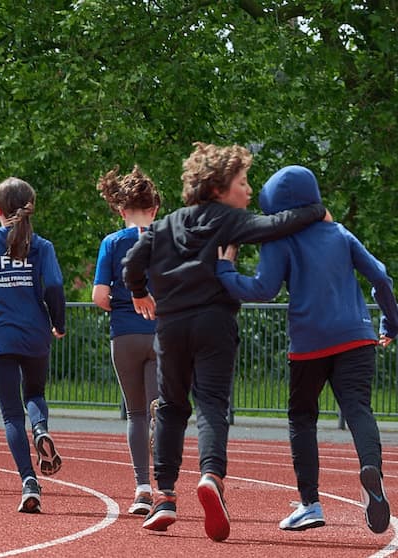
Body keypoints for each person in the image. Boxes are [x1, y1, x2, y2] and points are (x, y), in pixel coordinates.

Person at [124, 142, 328, 541]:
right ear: (218, 188)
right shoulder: (228, 219)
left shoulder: (166, 225)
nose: (249, 190)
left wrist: (137, 291)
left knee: (170, 407)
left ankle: (164, 496)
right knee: (213, 406)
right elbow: (276, 225)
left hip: (171, 327)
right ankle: (211, 476)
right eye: (243, 182)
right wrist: (316, 211)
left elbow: (133, 258)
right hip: (215, 321)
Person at [215, 165, 394, 534]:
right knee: (358, 407)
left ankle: (310, 503)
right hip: (357, 336)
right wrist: (391, 323)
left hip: (310, 343)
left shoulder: (278, 241)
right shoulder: (341, 234)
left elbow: (263, 289)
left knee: (301, 418)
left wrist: (225, 270)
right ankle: (371, 469)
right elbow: (380, 276)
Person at [0, 178, 66, 514]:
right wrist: (58, 323)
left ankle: (28, 482)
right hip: (35, 333)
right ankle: (40, 430)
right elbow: (53, 285)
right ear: (31, 206)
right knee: (35, 394)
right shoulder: (42, 246)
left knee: (11, 414)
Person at [92, 166, 162, 515]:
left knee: (134, 412)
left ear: (121, 210)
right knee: (161, 410)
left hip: (125, 331)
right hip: (162, 333)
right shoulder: (166, 239)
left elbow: (99, 295)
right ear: (155, 210)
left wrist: (118, 301)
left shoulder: (111, 243)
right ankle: (167, 488)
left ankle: (142, 490)